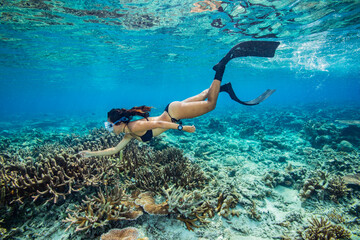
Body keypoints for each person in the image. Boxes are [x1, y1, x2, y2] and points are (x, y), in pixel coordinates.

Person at [80, 41, 280, 158]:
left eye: (108, 126)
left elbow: (159, 123)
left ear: (118, 123)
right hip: (172, 109)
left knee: (210, 105)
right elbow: (113, 150)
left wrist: (183, 128)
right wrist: (90, 154)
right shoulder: (128, 133)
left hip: (174, 114)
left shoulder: (133, 128)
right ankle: (222, 88)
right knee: (204, 95)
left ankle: (221, 68)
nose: (108, 129)